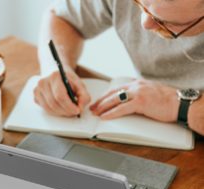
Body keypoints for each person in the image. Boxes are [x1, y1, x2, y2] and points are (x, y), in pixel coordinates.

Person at [34, 0, 204, 136]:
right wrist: (55, 68)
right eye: (138, 3)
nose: (144, 23)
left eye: (165, 22)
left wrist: (174, 104)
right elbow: (61, 17)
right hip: (149, 127)